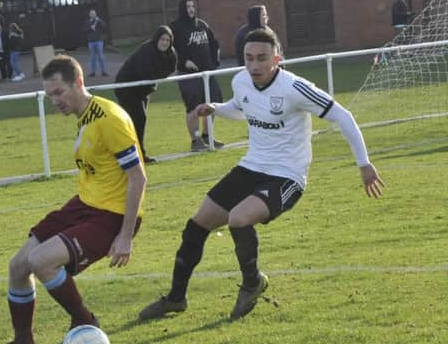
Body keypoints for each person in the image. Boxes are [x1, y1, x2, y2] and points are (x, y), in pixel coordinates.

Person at [139, 29, 385, 322]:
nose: (254, 65)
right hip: (251, 166)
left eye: (261, 58)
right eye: (248, 58)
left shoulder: (295, 87)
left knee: (239, 218)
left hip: (287, 176)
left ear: (276, 59)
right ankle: (175, 298)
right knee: (196, 225)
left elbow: (343, 116)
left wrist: (364, 163)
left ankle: (252, 282)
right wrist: (215, 108)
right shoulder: (241, 80)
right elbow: (241, 108)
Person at [0, 55, 147, 344]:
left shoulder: (109, 119)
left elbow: (138, 177)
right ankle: (22, 343)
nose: (55, 101)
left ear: (79, 83)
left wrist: (125, 236)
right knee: (18, 266)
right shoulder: (84, 116)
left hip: (112, 215)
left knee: (41, 261)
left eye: (59, 93)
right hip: (84, 205)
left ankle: (85, 320)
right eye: (50, 96)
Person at [115, 25, 177, 163]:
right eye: (162, 39)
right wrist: (159, 74)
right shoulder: (147, 50)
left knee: (138, 121)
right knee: (138, 119)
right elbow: (146, 73)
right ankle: (136, 155)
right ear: (156, 39)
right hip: (127, 88)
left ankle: (135, 154)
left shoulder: (171, 53)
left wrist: (159, 74)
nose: (165, 42)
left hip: (143, 90)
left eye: (167, 40)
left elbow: (171, 68)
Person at [170, 0, 224, 152]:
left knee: (213, 104)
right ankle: (195, 140)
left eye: (193, 6)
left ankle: (207, 135)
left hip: (207, 73)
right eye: (187, 6)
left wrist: (214, 62)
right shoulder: (175, 27)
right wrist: (183, 62)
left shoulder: (202, 25)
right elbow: (170, 50)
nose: (191, 9)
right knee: (193, 107)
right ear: (182, 9)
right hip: (188, 75)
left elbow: (214, 44)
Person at [85, 9, 109, 77]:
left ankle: (103, 71)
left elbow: (105, 26)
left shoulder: (99, 21)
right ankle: (93, 72)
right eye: (91, 14)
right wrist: (90, 28)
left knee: (101, 56)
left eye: (94, 14)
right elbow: (85, 30)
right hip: (91, 42)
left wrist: (100, 21)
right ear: (89, 15)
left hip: (99, 41)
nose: (93, 15)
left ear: (96, 14)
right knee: (92, 57)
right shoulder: (87, 22)